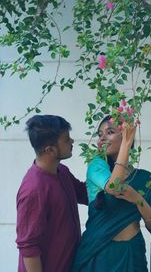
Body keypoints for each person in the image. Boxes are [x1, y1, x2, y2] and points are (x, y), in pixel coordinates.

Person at [72, 115, 151, 271]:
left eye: (110, 132)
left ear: (127, 135)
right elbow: (114, 186)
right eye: (100, 134)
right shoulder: (97, 166)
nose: (102, 139)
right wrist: (126, 144)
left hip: (132, 254)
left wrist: (138, 199)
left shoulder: (145, 179)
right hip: (100, 253)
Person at [16, 114, 88, 272]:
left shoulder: (61, 171)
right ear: (49, 150)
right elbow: (28, 247)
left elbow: (85, 194)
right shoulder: (33, 189)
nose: (72, 142)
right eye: (66, 139)